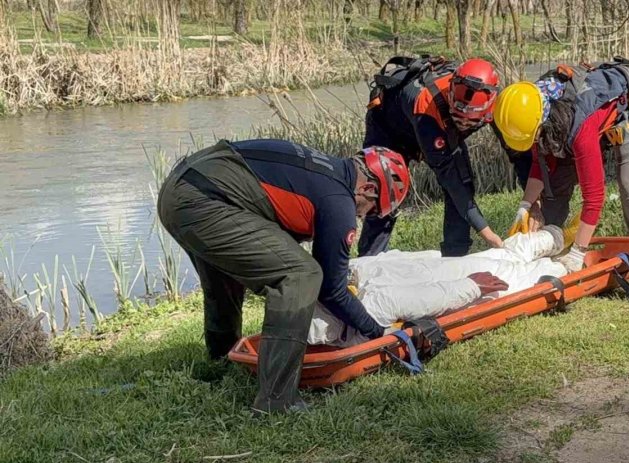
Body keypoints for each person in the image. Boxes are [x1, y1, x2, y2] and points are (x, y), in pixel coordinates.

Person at [156, 139, 416, 413]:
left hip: (180, 189)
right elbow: (331, 288)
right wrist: (376, 331)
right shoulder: (339, 200)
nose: (362, 216)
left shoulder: (324, 170)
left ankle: (221, 360)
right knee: (301, 275)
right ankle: (277, 399)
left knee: (227, 276)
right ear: (367, 188)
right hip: (203, 200)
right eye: (370, 210)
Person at [493, 59, 629, 309]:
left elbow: (594, 197)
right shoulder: (540, 108)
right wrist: (526, 206)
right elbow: (542, 164)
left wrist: (579, 250)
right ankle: (547, 258)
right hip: (603, 119)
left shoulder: (578, 125)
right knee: (555, 180)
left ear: (543, 122)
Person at [361, 56, 530, 257]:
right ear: (450, 95)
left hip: (442, 127)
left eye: (469, 123)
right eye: (457, 118)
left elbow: (518, 152)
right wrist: (487, 233)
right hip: (391, 129)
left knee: (465, 181)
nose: (463, 125)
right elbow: (452, 182)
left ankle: (455, 255)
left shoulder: (497, 104)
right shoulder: (426, 108)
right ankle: (369, 260)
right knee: (384, 190)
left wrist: (531, 203)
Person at [310, 226, 566, 347]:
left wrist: (471, 287)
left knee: (498, 281)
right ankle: (546, 245)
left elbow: (415, 299)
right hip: (393, 274)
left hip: (398, 282)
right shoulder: (330, 280)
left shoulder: (352, 312)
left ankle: (557, 265)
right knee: (480, 265)